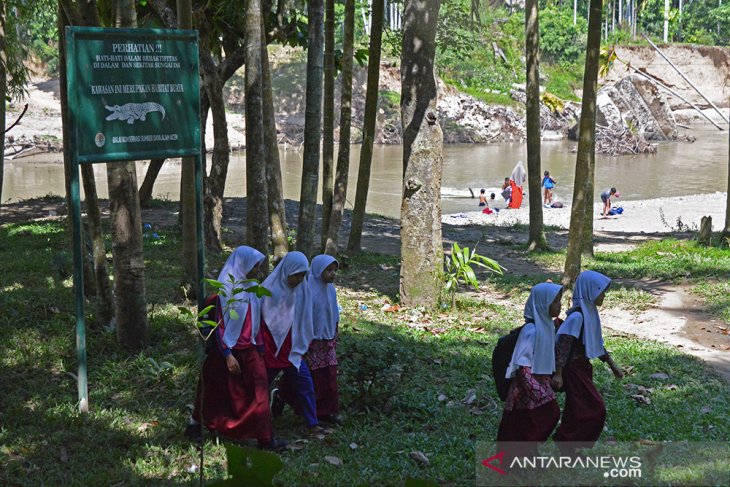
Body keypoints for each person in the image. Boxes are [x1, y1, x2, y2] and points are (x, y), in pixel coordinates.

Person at [187, 246, 284, 450]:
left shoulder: (252, 290)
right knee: (213, 391)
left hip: (250, 351)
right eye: (254, 266)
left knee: (260, 392)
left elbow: (255, 322)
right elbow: (220, 328)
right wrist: (228, 355)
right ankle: (197, 424)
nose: (257, 270)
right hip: (227, 353)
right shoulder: (225, 292)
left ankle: (265, 438)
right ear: (243, 265)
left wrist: (260, 348)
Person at [552, 270, 624, 456]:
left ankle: (568, 446)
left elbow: (595, 343)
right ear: (590, 291)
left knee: (576, 407)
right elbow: (564, 343)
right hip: (573, 369)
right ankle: (565, 440)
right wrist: (559, 373)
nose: (604, 295)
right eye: (601, 291)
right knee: (595, 407)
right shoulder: (577, 316)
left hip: (582, 367)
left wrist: (612, 365)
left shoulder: (589, 313)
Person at [497, 282, 563, 461]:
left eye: (559, 301)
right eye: (555, 302)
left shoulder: (547, 326)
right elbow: (522, 365)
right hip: (526, 386)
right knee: (537, 418)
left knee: (538, 419)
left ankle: (528, 454)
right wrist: (536, 390)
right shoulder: (531, 331)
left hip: (540, 381)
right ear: (543, 304)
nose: (560, 305)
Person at [260, 251, 322, 431]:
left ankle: (312, 423)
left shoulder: (303, 291)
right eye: (296, 275)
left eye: (304, 275)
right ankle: (258, 422)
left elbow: (305, 319)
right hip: (271, 349)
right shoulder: (269, 290)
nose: (300, 279)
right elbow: (260, 321)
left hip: (292, 350)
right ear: (287, 271)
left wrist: (303, 343)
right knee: (261, 386)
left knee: (305, 384)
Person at [306, 254, 342, 425]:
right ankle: (315, 410)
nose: (333, 274)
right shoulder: (308, 289)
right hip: (312, 342)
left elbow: (333, 313)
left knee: (329, 376)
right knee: (315, 378)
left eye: (334, 271)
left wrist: (335, 331)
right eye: (329, 270)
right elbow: (305, 316)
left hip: (328, 340)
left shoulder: (331, 289)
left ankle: (329, 410)